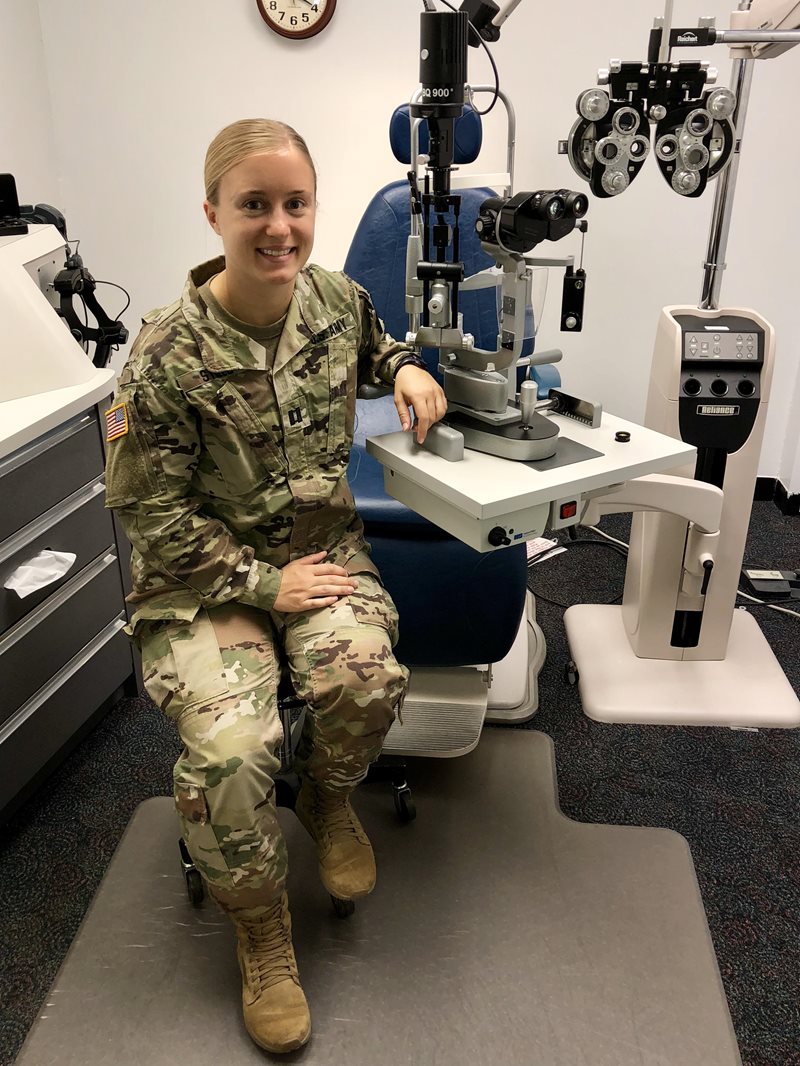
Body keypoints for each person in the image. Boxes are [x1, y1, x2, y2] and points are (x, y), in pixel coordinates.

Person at [104, 118, 447, 1053]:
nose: (279, 227)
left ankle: (329, 797)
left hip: (319, 548)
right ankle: (262, 933)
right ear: (213, 213)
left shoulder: (334, 301)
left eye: (295, 204)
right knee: (231, 750)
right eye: (254, 205)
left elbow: (376, 344)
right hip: (203, 586)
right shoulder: (166, 355)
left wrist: (408, 368)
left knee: (362, 679)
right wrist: (261, 578)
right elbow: (151, 519)